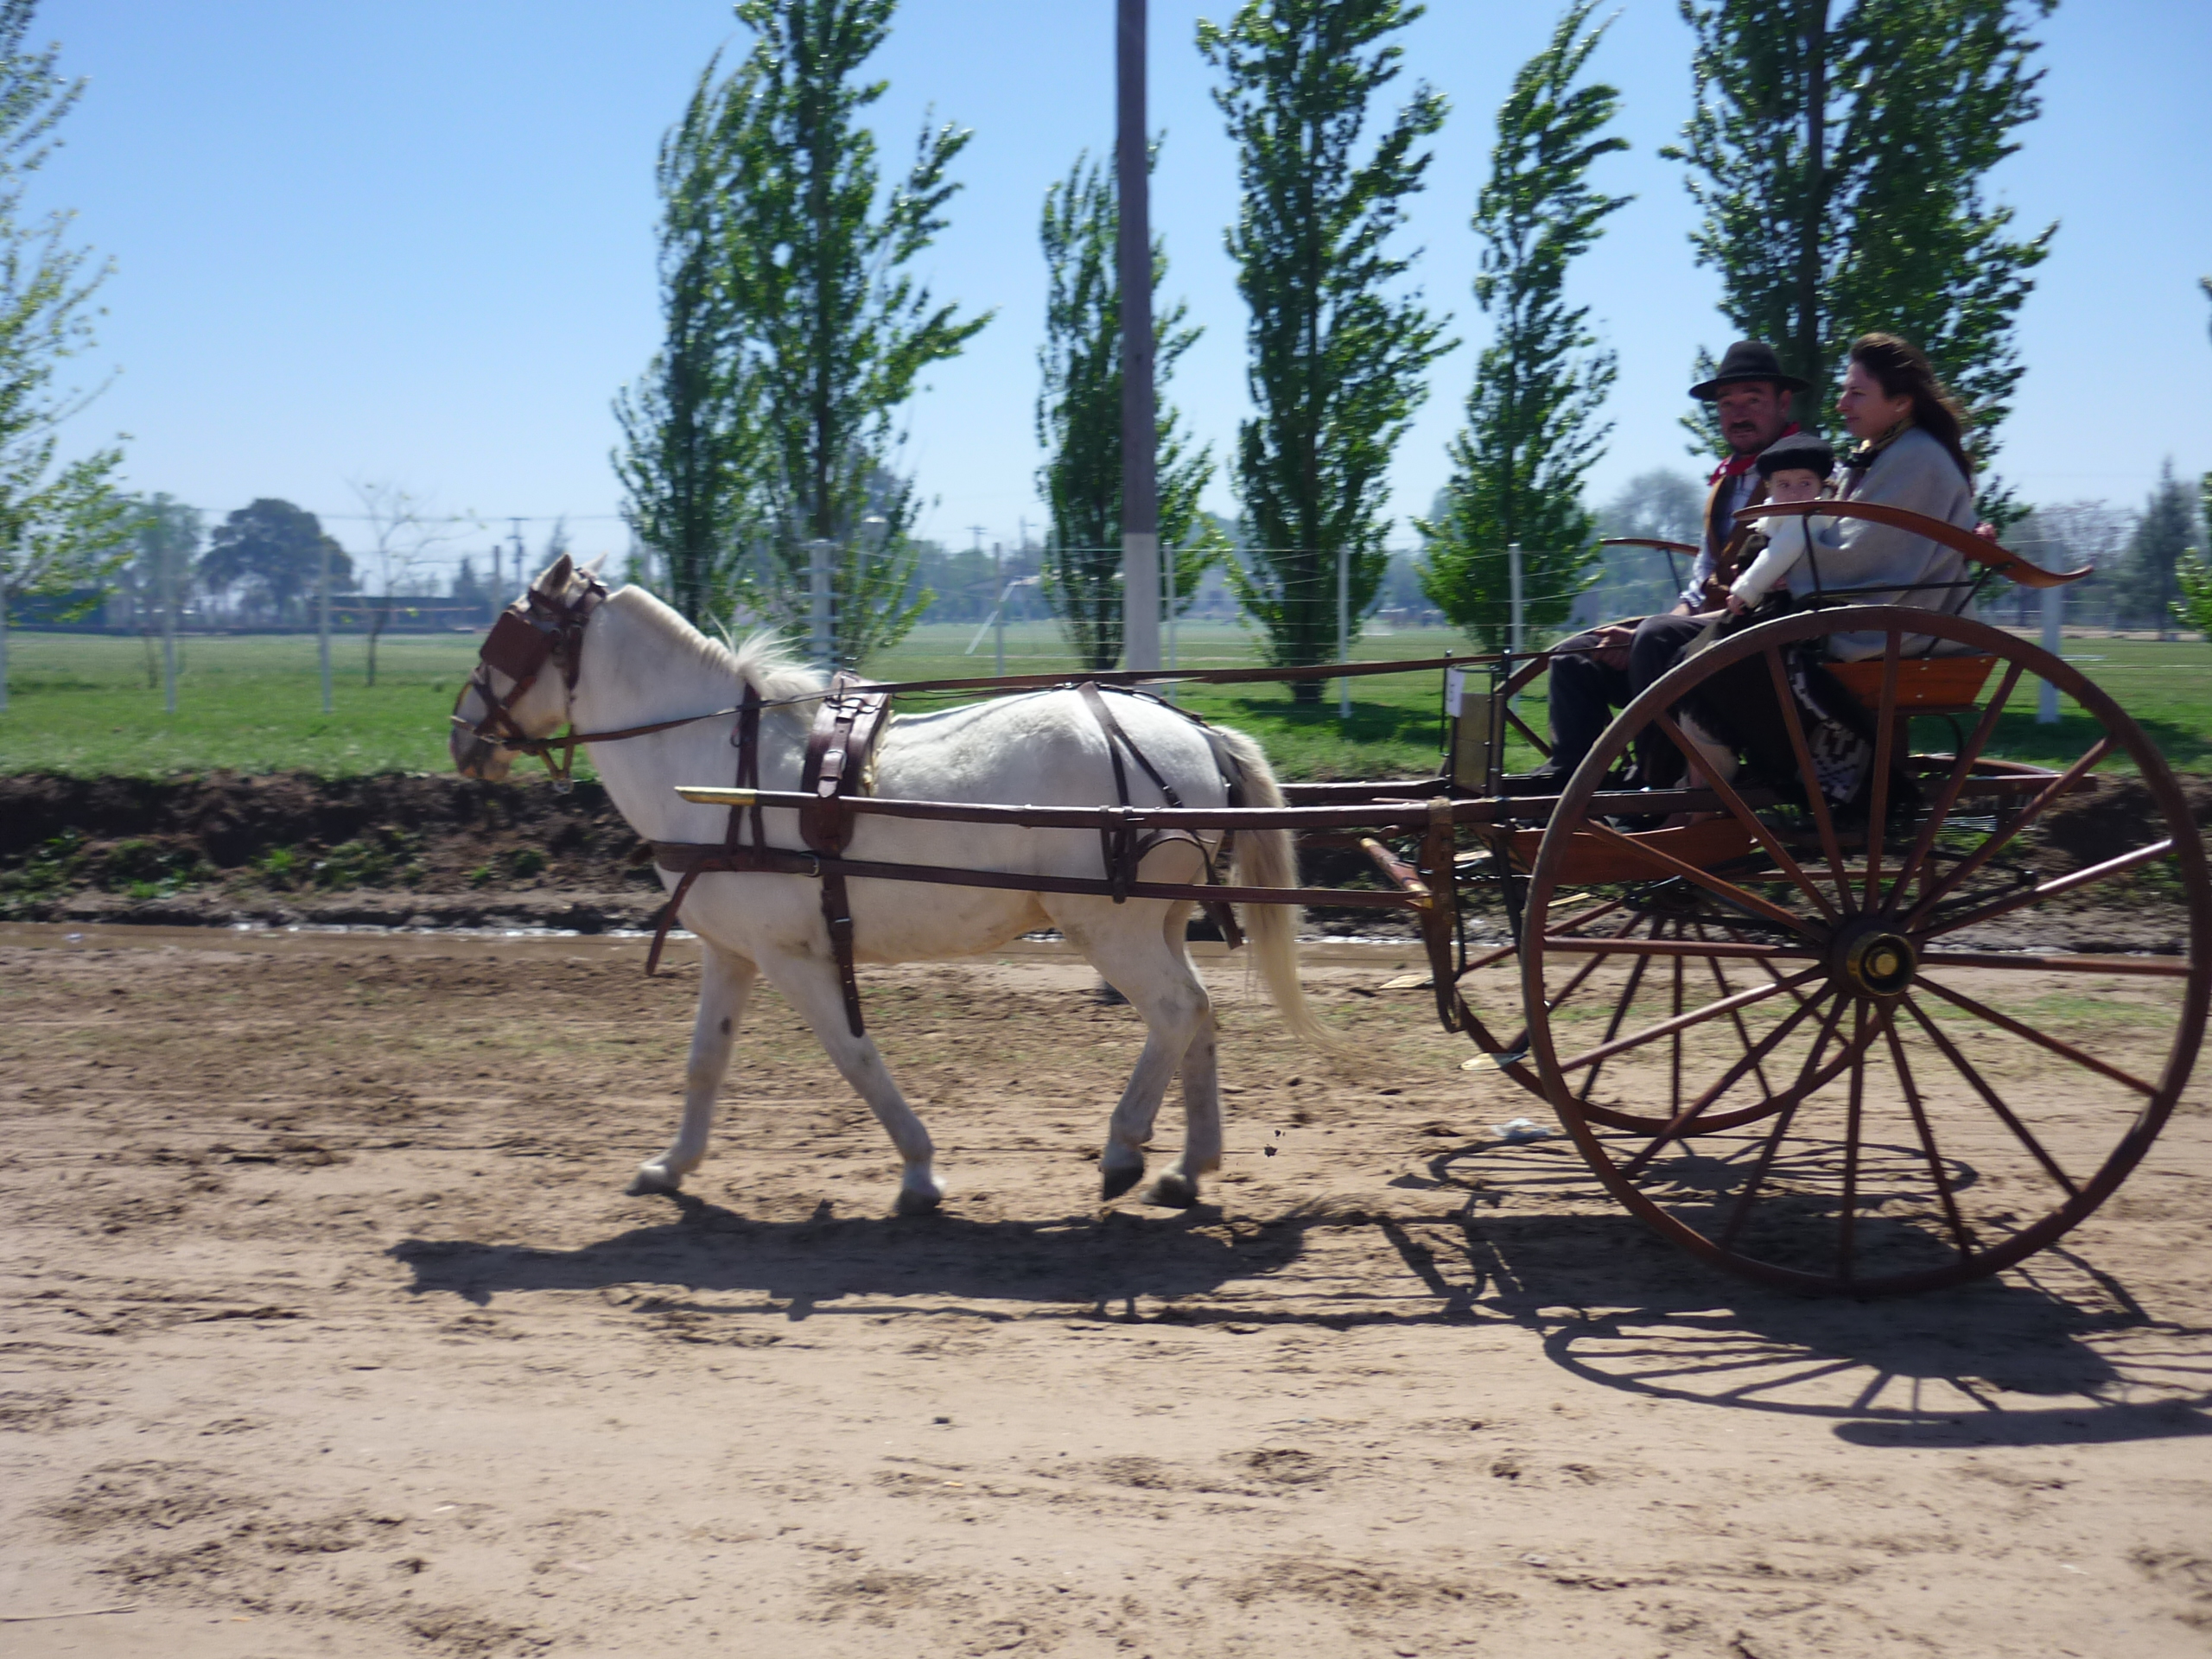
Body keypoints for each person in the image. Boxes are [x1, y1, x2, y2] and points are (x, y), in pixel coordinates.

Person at [1510, 340, 1804, 792]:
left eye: (1753, 400)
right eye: (1727, 403)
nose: (1738, 414)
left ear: (1784, 403)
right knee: (1577, 654)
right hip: (1707, 638)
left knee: (1655, 637)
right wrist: (1646, 630)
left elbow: (1795, 583)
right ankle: (1572, 777)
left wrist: (1658, 632)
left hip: (1763, 650)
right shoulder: (1726, 484)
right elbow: (1697, 588)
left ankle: (1653, 781)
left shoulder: (1806, 476)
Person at [1725, 432, 1837, 617]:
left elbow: (1782, 551)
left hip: (1794, 606)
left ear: (1820, 485)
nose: (1794, 494)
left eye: (1805, 484)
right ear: (1770, 488)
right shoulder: (1772, 517)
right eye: (1784, 485)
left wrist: (1746, 588)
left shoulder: (1811, 516)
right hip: (1770, 599)